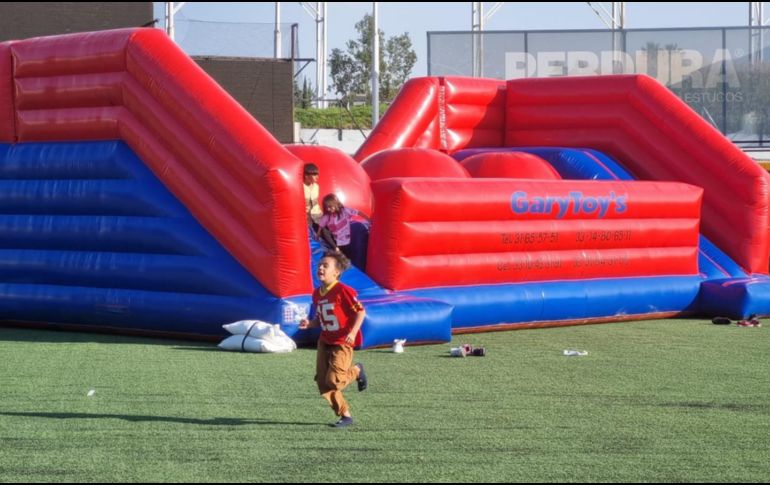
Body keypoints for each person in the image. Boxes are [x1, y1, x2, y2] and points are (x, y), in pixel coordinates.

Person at [298, 251, 368, 428]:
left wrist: (352, 333)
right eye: (319, 265)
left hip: (342, 341)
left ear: (336, 272)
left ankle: (357, 371)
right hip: (325, 340)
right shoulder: (317, 293)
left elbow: (360, 311)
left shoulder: (343, 290)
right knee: (323, 382)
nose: (320, 268)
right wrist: (310, 323)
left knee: (334, 380)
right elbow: (323, 319)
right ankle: (345, 415)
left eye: (325, 265)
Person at [316, 193, 367, 263]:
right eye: (327, 207)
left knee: (349, 252)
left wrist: (368, 219)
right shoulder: (327, 216)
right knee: (325, 231)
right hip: (338, 241)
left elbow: (358, 212)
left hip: (347, 238)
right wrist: (318, 234)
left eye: (330, 207)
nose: (329, 209)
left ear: (336, 204)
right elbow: (321, 226)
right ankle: (336, 249)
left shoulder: (344, 211)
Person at [303, 163, 322, 232]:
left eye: (317, 174)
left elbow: (315, 203)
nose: (317, 177)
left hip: (317, 217)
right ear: (306, 176)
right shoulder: (301, 187)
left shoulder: (316, 186)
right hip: (307, 220)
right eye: (314, 175)